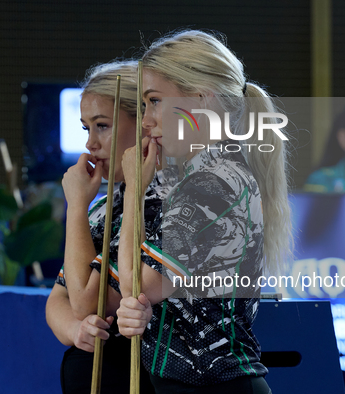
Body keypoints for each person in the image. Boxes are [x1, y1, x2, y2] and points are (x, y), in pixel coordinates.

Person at [116, 30, 292, 393]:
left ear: (200, 98)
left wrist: (134, 187)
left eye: (154, 101)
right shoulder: (211, 175)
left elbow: (136, 286)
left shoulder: (210, 184)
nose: (146, 121)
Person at [45, 60, 156, 394]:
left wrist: (76, 206)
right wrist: (75, 331)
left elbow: (87, 301)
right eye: (86, 129)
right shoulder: (107, 204)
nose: (90, 143)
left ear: (144, 125)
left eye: (102, 126)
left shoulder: (157, 201)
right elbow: (58, 298)